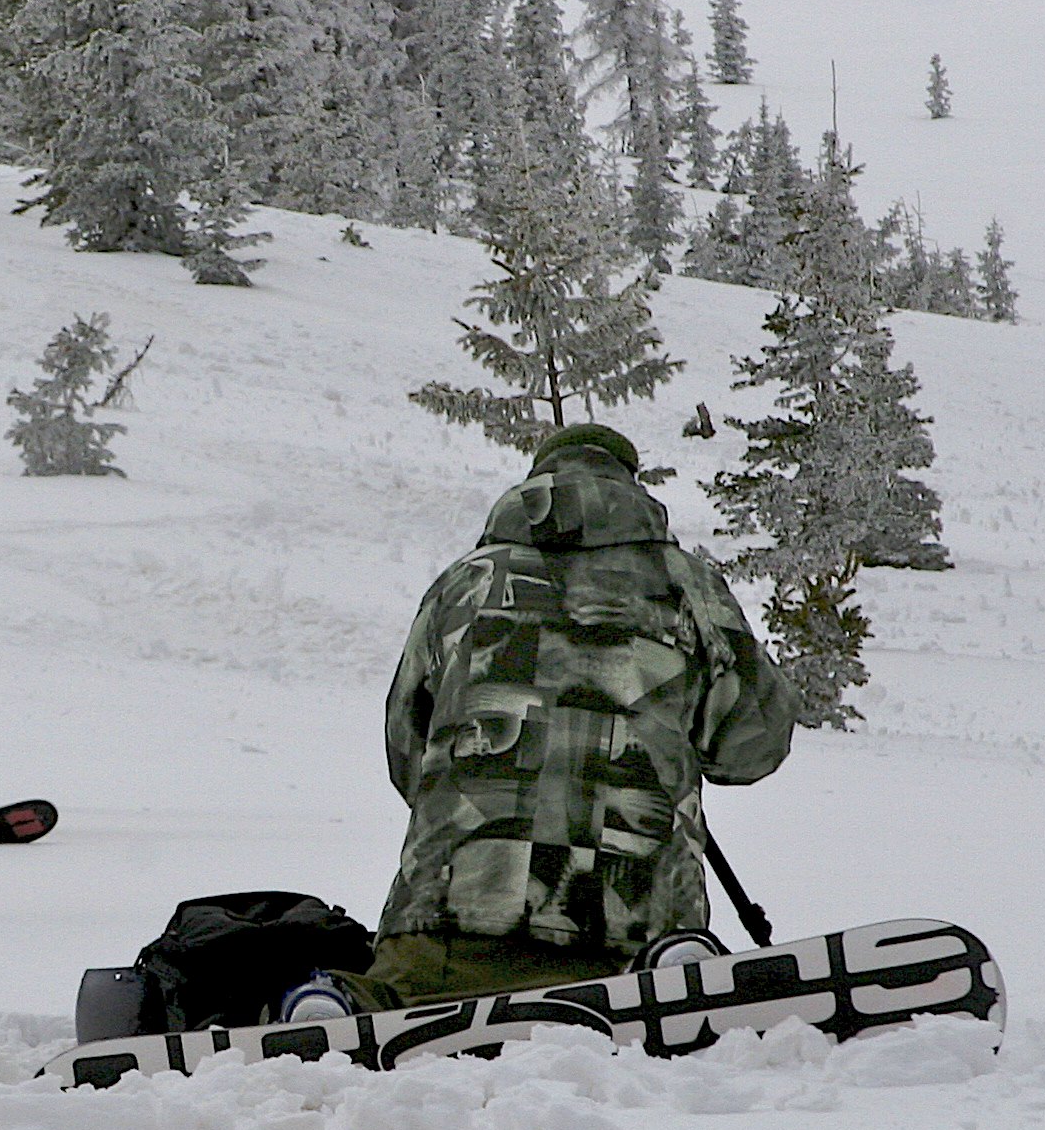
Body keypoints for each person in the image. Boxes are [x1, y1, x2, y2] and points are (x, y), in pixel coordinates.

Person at [289, 421, 796, 1017]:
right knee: (652, 981)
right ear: (630, 484)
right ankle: (670, 966)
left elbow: (409, 754)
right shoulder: (689, 585)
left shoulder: (462, 583)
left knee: (405, 997)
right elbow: (750, 750)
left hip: (449, 917)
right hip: (630, 926)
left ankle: (345, 1002)